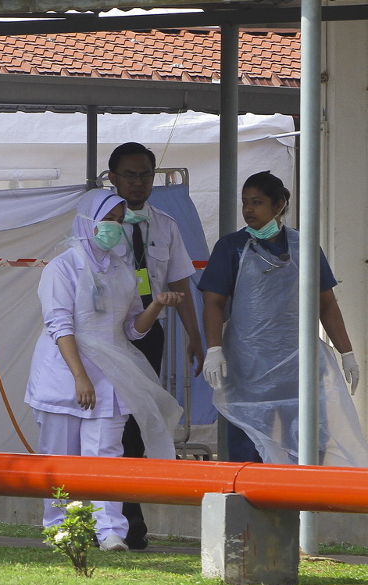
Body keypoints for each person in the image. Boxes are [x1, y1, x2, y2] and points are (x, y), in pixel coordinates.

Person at [25, 188, 184, 552]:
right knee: (60, 457)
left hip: (112, 372)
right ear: (86, 221)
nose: (113, 227)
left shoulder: (122, 270)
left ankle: (109, 530)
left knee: (107, 454)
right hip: (65, 374)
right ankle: (60, 529)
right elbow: (60, 325)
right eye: (107, 219)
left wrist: (156, 305)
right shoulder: (61, 267)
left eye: (118, 220)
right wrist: (80, 376)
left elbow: (131, 328)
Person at [199, 171, 368, 467]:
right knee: (248, 439)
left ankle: (303, 504)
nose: (248, 210)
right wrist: (214, 349)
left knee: (308, 438)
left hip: (297, 362)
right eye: (245, 203)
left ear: (279, 206)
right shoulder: (232, 247)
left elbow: (326, 304)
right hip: (248, 365)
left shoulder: (304, 247)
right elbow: (213, 302)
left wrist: (347, 352)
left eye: (257, 202)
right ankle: (249, 506)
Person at [106, 142, 203, 550]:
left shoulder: (164, 224)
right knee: (106, 426)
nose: (139, 183)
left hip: (148, 335)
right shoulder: (97, 222)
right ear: (112, 178)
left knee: (138, 425)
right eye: (130, 175)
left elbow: (180, 281)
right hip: (107, 336)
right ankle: (111, 519)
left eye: (145, 174)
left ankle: (131, 522)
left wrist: (197, 338)